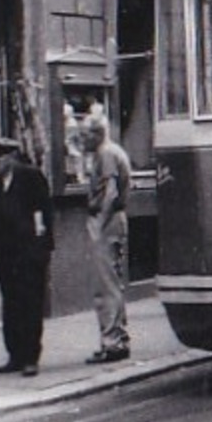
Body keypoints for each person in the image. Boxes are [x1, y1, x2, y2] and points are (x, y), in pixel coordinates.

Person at [0, 136, 54, 376]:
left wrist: (41, 250)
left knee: (30, 304)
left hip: (29, 254)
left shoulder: (31, 177)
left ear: (11, 158)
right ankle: (15, 355)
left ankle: (31, 356)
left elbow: (43, 215)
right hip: (5, 255)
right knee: (11, 305)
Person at [82, 111, 133, 363]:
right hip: (115, 221)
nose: (82, 141)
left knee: (106, 286)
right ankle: (118, 338)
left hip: (107, 222)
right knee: (114, 283)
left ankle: (112, 342)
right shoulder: (113, 151)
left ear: (97, 133)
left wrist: (98, 226)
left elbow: (110, 193)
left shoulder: (106, 154)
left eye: (85, 135)